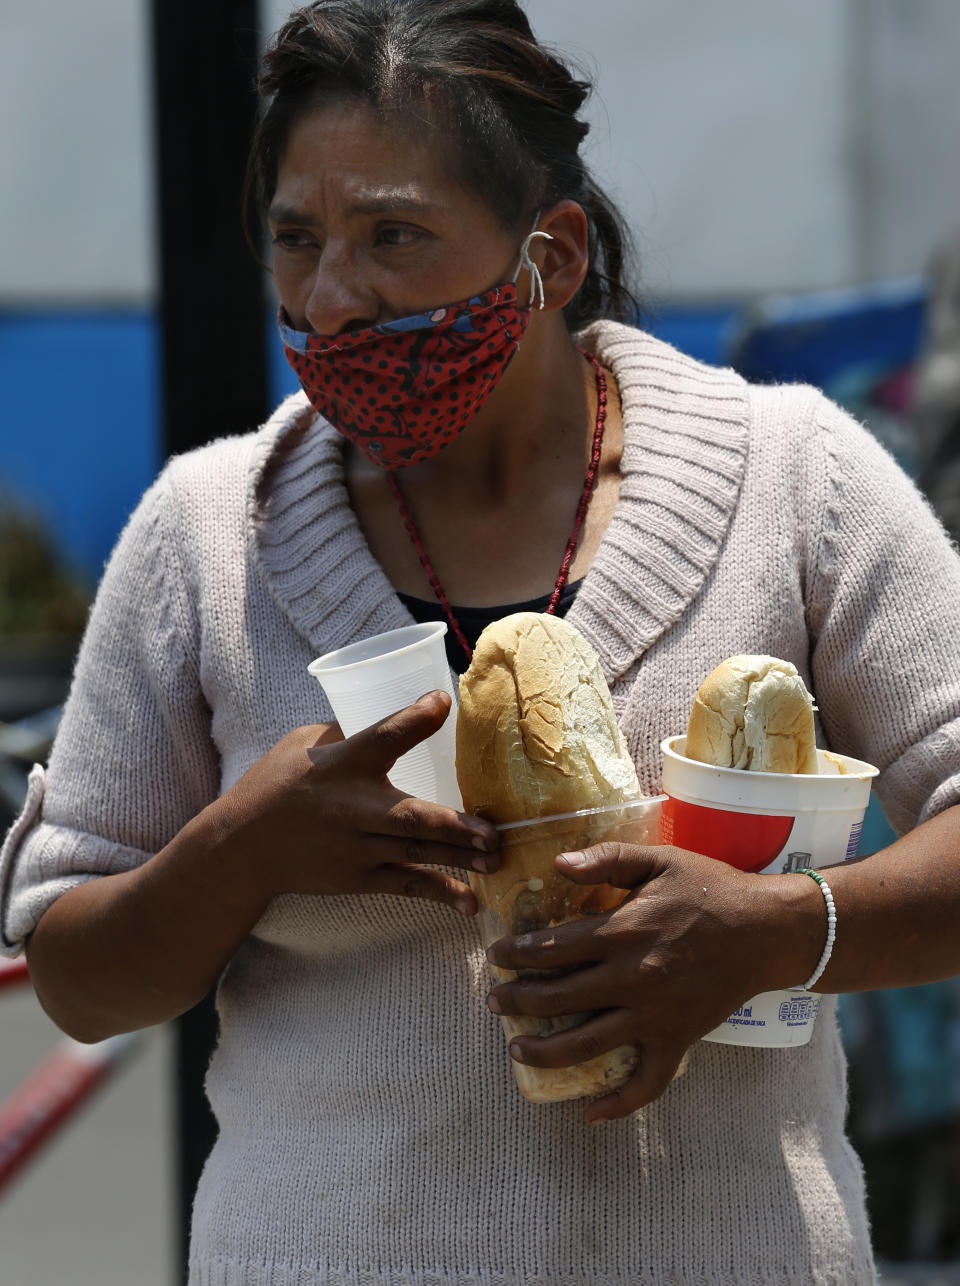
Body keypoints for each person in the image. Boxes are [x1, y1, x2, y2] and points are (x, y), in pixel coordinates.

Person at [2, 1, 960, 1282]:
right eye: (296, 239)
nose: (333, 300)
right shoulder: (204, 538)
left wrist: (778, 928)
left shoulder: (796, 483)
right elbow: (78, 972)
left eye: (393, 234)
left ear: (549, 255)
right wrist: (242, 848)